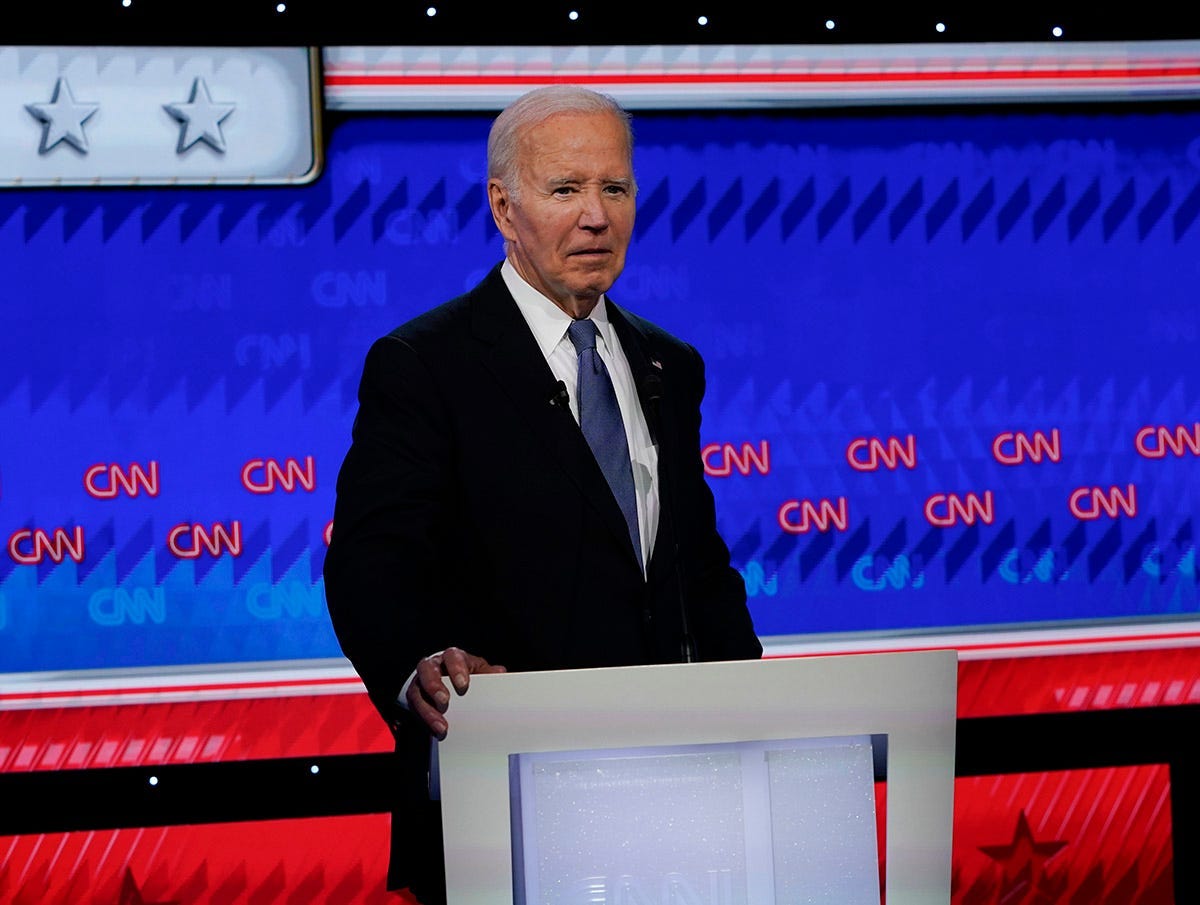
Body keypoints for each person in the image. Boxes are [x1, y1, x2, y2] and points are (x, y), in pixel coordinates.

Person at [323, 84, 762, 904]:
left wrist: (762, 722)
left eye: (615, 188)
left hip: (671, 806)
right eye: (566, 190)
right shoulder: (426, 364)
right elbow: (370, 565)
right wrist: (414, 665)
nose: (596, 216)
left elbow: (695, 568)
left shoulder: (669, 364)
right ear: (504, 207)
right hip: (506, 803)